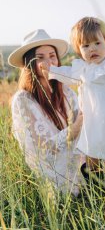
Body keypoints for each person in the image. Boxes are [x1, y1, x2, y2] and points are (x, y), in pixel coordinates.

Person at [41, 17, 105, 177]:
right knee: (91, 157)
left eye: (97, 43)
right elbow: (68, 74)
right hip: (92, 127)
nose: (92, 49)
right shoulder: (83, 69)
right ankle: (96, 188)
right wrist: (50, 70)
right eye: (86, 45)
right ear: (79, 49)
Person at [8, 29, 85, 196]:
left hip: (82, 158)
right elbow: (43, 151)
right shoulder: (23, 100)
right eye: (40, 58)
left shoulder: (65, 90)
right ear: (29, 63)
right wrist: (75, 129)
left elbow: (85, 122)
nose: (48, 62)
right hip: (56, 174)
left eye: (52, 55)